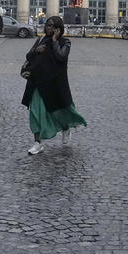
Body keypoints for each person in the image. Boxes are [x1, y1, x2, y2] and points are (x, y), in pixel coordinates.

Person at [22, 15, 86, 155]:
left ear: (59, 29)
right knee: (36, 112)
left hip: (55, 84)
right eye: (47, 25)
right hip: (37, 82)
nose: (48, 28)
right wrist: (35, 51)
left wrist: (55, 41)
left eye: (52, 26)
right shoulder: (40, 40)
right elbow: (29, 57)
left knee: (59, 111)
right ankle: (38, 143)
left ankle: (65, 127)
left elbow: (61, 57)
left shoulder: (65, 42)